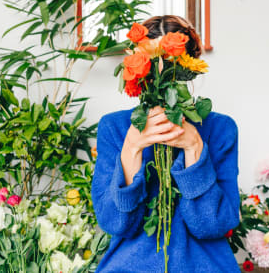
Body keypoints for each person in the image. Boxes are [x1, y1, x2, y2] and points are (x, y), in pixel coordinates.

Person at [91, 15, 240, 272]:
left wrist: (195, 148)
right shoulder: (114, 128)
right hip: (130, 265)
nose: (160, 72)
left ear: (188, 67)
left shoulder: (220, 129)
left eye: (170, 62)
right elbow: (114, 223)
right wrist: (132, 148)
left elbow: (212, 225)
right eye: (151, 61)